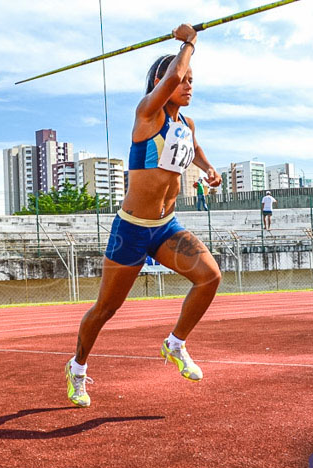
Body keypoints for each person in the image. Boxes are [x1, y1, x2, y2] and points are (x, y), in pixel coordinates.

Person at [64, 23, 222, 408]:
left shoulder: (186, 124)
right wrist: (188, 43)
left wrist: (209, 168)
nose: (189, 86)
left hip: (166, 228)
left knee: (209, 277)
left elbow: (194, 148)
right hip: (132, 230)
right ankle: (77, 368)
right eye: (184, 79)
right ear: (162, 81)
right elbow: (170, 78)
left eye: (191, 81)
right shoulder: (147, 113)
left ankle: (175, 344)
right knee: (106, 309)